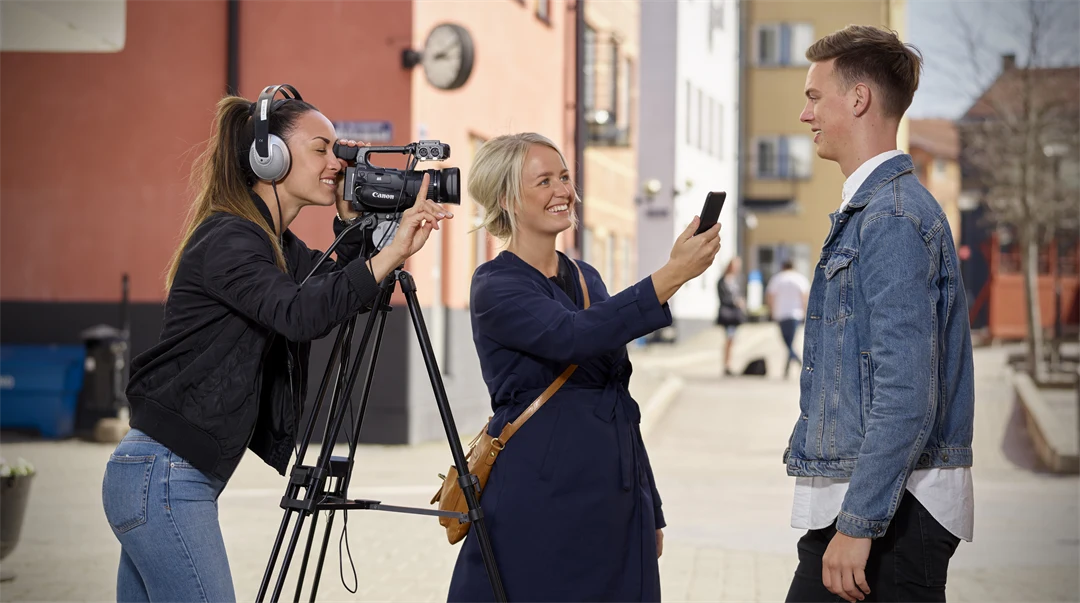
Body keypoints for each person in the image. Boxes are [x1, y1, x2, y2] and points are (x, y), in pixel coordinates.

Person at [100, 87, 449, 603]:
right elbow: (300, 314)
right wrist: (389, 253)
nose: (338, 162)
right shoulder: (230, 238)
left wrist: (360, 233)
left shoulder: (275, 246)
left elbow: (347, 295)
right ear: (270, 157)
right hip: (165, 475)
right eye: (321, 149)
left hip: (167, 478)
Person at [447, 132, 721, 603]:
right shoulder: (495, 285)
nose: (564, 191)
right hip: (540, 499)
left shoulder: (585, 275)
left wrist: (648, 506)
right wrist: (673, 274)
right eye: (545, 181)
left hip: (613, 500)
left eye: (566, 177)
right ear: (507, 199)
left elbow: (620, 394)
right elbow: (572, 337)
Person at [782, 26, 975, 603]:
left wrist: (858, 523)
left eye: (816, 96)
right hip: (876, 504)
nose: (804, 113)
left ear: (859, 98)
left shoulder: (889, 217)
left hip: (889, 514)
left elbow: (906, 390)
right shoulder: (878, 210)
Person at [766, 260, 810, 378]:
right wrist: (805, 312)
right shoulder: (800, 278)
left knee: (787, 342)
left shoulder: (777, 278)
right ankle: (793, 365)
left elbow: (770, 296)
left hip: (781, 314)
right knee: (789, 342)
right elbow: (804, 297)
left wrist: (771, 311)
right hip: (795, 314)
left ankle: (794, 365)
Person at [716, 257, 746, 376]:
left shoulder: (736, 280)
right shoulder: (722, 281)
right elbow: (723, 298)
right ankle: (726, 365)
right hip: (728, 314)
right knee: (729, 339)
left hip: (735, 315)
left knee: (731, 340)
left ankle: (728, 364)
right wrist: (735, 301)